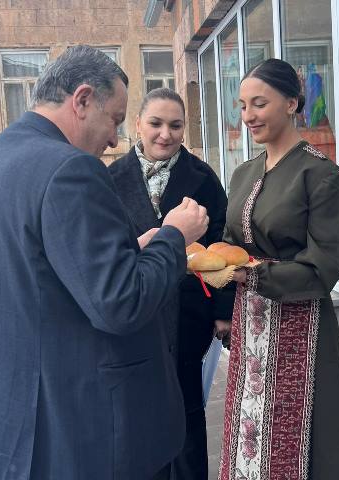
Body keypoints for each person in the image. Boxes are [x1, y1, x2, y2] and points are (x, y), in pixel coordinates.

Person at [0, 46, 210, 480]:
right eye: (114, 119)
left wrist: (135, 249)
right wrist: (174, 236)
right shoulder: (70, 169)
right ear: (81, 100)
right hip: (88, 426)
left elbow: (47, 271)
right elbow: (120, 304)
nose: (115, 139)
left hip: (25, 416)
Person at [218, 58, 339, 480]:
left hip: (302, 326)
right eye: (242, 106)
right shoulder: (243, 173)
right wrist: (210, 259)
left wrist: (251, 274)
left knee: (306, 448)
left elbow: (324, 267)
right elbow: (231, 242)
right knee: (250, 441)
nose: (248, 116)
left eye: (259, 104)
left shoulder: (323, 176)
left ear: (292, 103)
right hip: (251, 326)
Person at [109, 87, 234, 480]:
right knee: (139, 415)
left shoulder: (202, 177)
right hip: (138, 310)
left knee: (187, 411)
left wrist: (223, 311)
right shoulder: (109, 179)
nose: (165, 134)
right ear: (138, 125)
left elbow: (223, 241)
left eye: (175, 125)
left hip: (188, 313)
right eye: (156, 123)